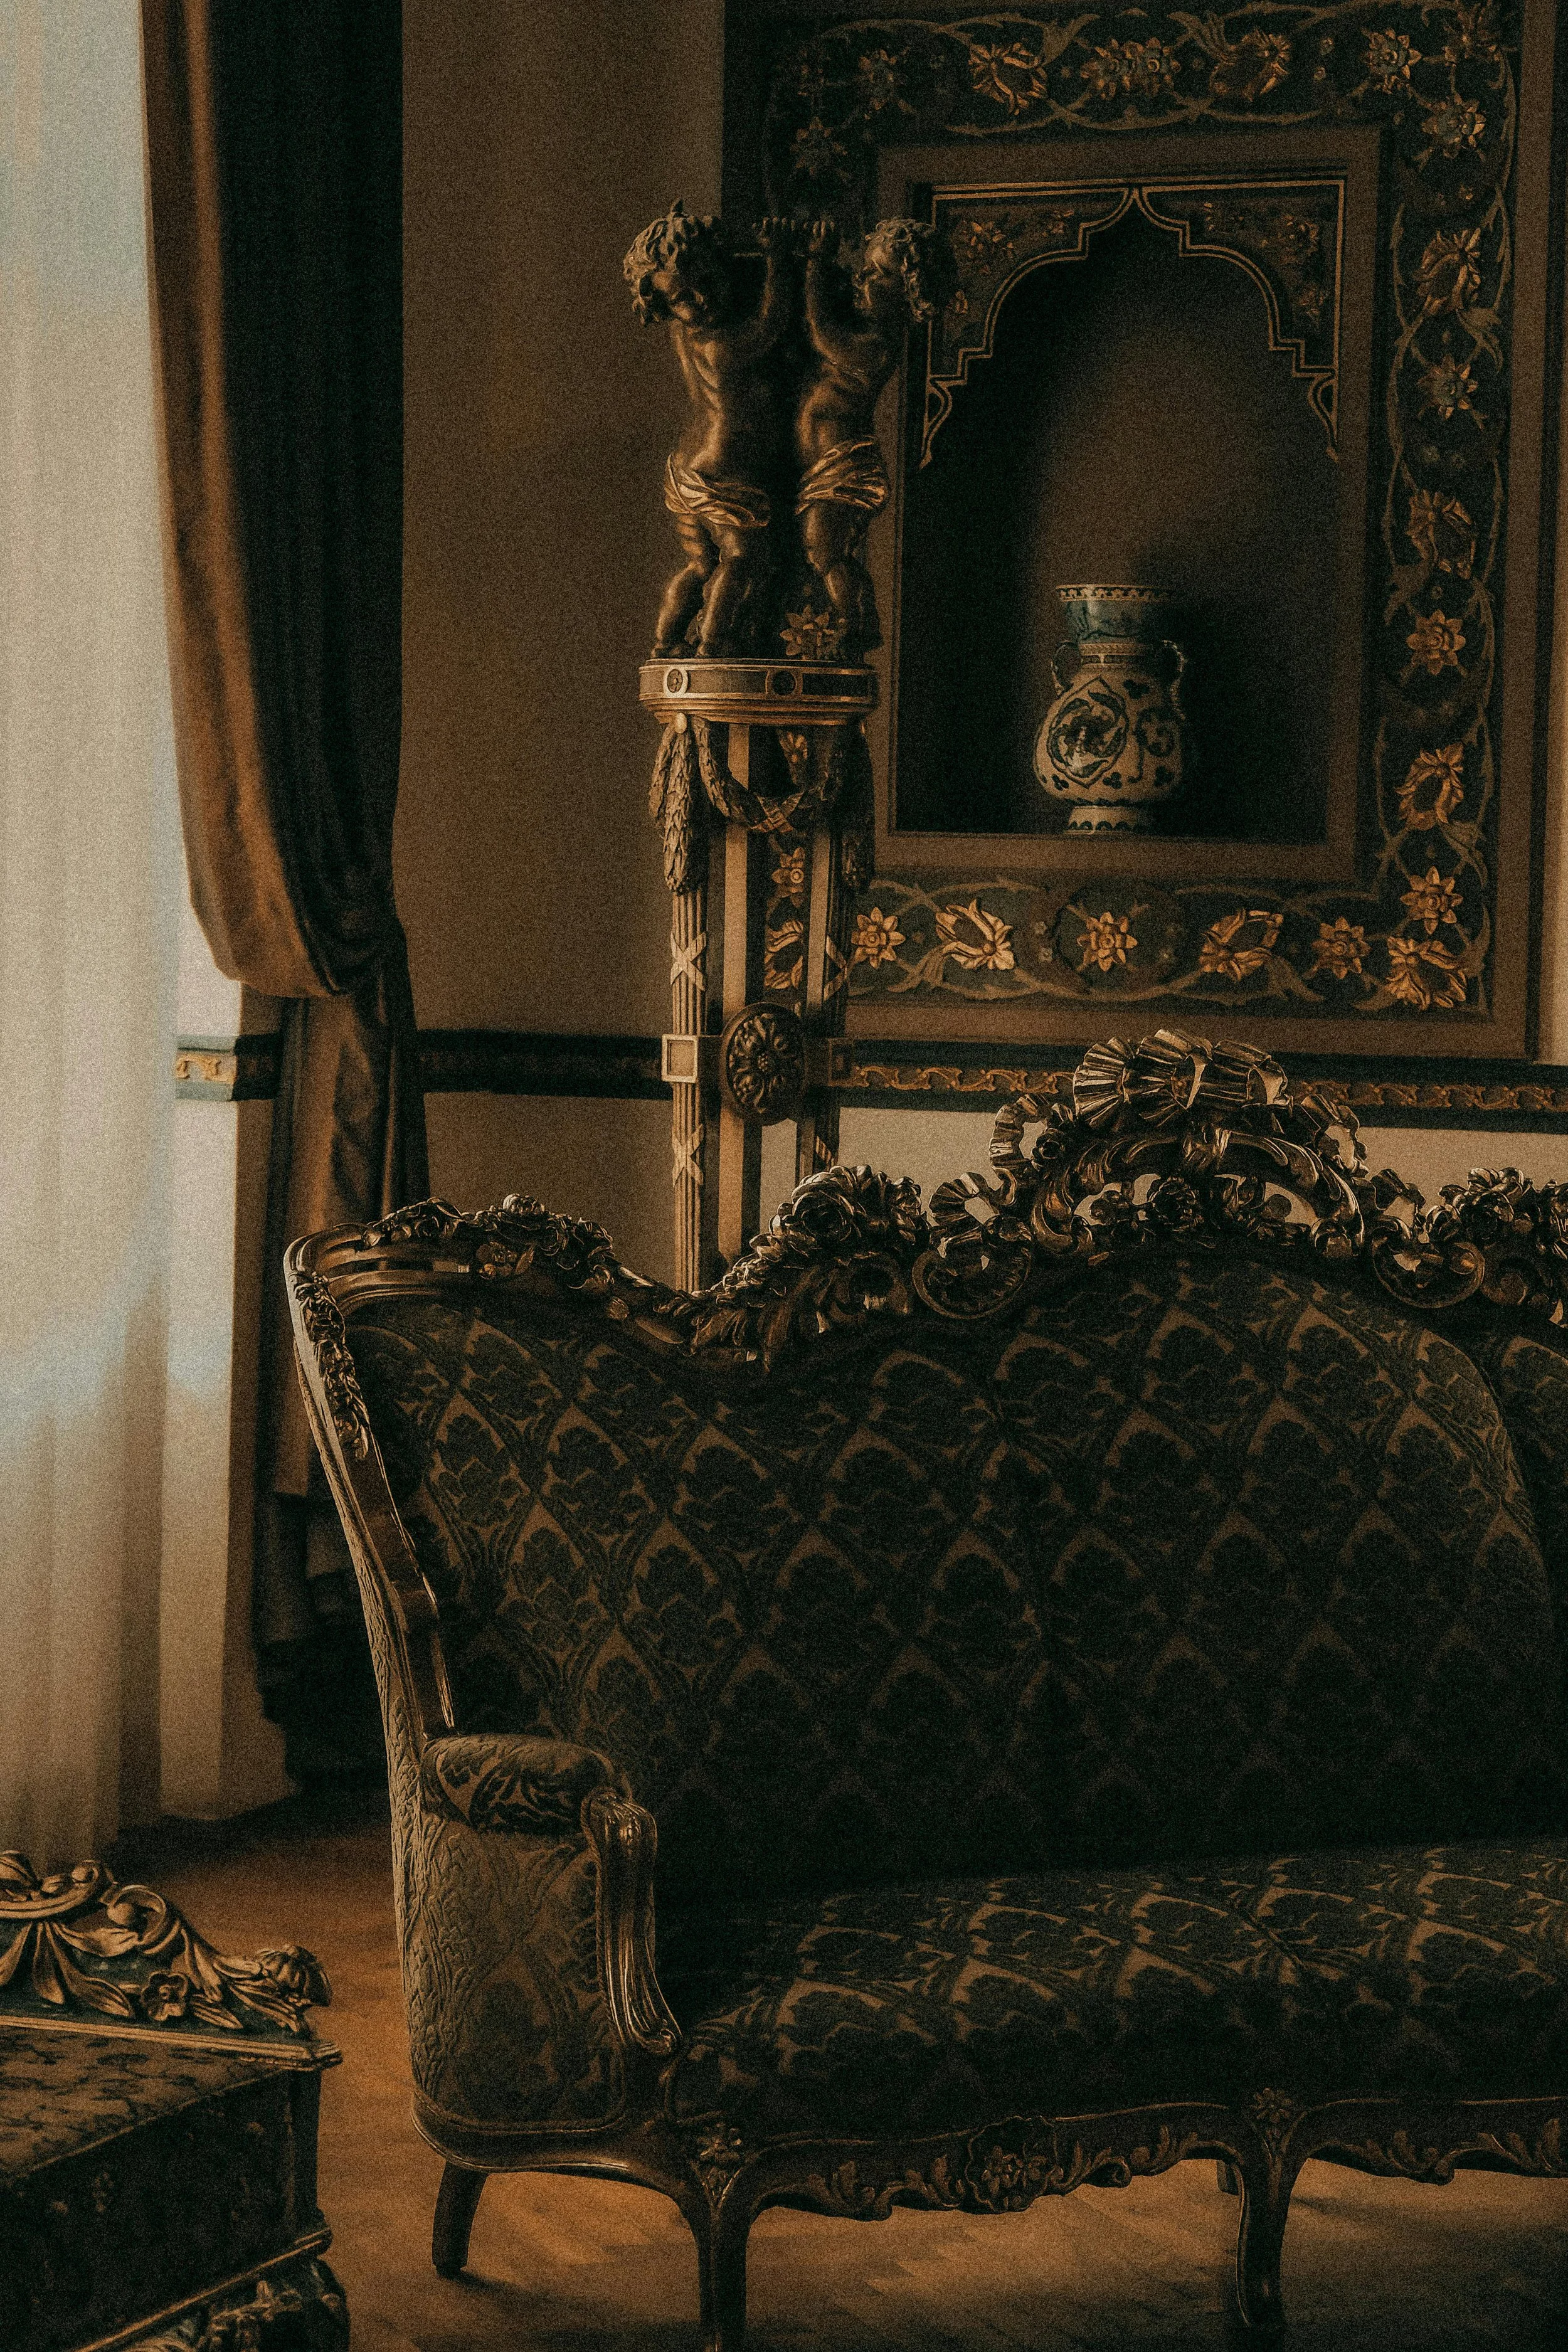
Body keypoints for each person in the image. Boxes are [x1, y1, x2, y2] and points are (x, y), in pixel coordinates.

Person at [624, 202, 792, 656]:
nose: (701, 298)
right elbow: (771, 323)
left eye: (708, 280)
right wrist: (778, 259)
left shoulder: (684, 332)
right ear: (663, 305)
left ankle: (666, 640)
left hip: (686, 471)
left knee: (701, 566)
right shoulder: (719, 345)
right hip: (723, 476)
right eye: (683, 297)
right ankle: (714, 643)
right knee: (742, 557)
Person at [795, 217, 952, 652]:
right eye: (863, 269)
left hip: (843, 467)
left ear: (908, 290)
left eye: (875, 273)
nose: (861, 278)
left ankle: (855, 628)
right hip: (829, 465)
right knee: (827, 553)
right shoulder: (870, 329)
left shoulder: (879, 343)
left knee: (825, 554)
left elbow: (821, 333)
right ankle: (859, 626)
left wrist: (816, 265)